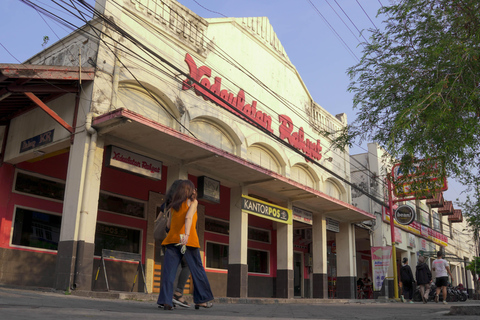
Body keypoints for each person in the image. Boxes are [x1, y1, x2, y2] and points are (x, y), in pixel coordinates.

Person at [157, 180, 214, 310]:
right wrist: (186, 236)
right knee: (197, 269)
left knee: (169, 272)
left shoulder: (173, 205)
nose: (195, 191)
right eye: (193, 188)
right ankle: (201, 300)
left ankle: (166, 300)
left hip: (171, 240)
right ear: (188, 190)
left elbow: (169, 225)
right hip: (188, 240)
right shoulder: (193, 202)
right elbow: (188, 218)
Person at [156, 180, 191, 308]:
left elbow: (158, 222)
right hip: (181, 239)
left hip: (167, 240)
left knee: (169, 270)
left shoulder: (166, 204)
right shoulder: (184, 203)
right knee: (187, 264)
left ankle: (167, 298)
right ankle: (177, 293)